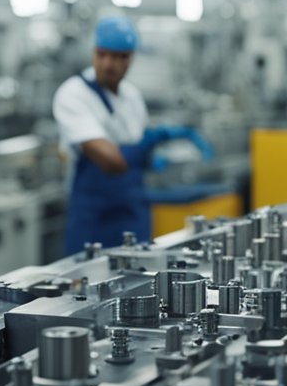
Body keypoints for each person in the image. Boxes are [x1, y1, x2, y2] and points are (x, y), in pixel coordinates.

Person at [52, 15, 212, 252]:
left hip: (133, 216)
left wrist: (155, 158)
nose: (109, 64)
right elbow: (111, 162)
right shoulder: (73, 94)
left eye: (119, 57)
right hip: (92, 222)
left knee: (139, 283)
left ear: (131, 58)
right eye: (103, 54)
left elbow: (139, 153)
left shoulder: (132, 97)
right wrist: (153, 140)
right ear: (93, 52)